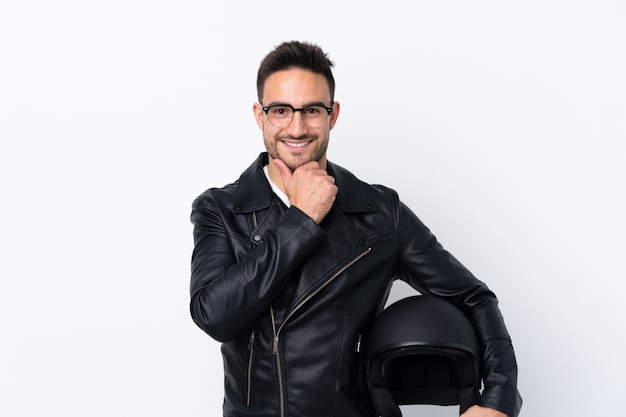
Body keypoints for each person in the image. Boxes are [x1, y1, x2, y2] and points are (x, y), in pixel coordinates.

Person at [189, 40, 522, 417]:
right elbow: (214, 315)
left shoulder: (380, 213)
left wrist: (498, 399)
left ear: (333, 115)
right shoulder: (219, 208)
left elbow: (474, 297)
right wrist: (302, 217)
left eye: (312, 110)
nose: (296, 127)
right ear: (259, 115)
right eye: (280, 110)